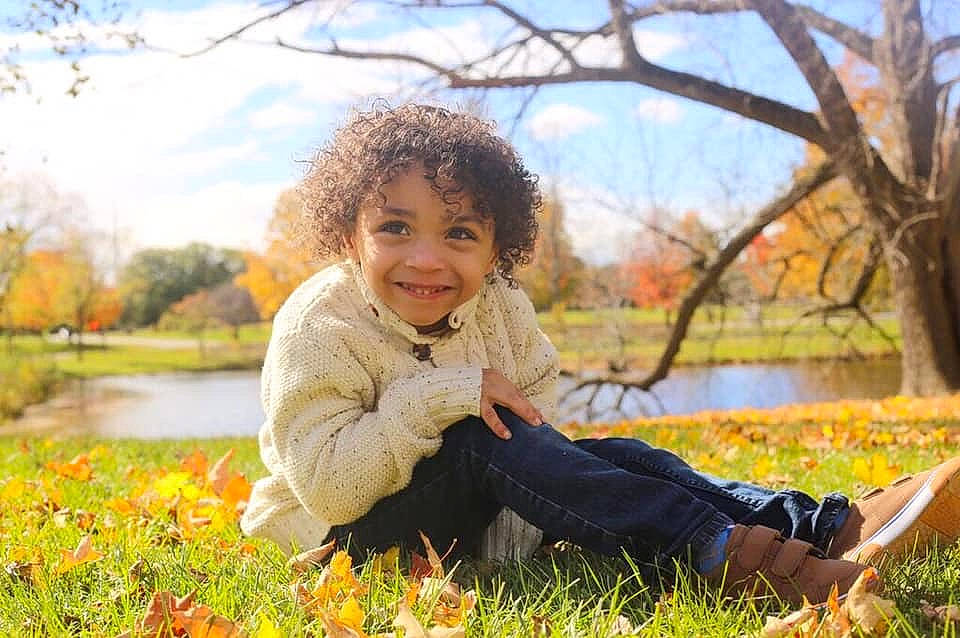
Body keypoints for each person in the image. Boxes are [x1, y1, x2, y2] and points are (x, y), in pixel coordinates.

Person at [240, 102, 960, 606]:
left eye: (460, 234)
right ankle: (719, 556)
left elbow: (535, 431)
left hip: (472, 515)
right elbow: (331, 489)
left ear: (497, 248)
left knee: (627, 456)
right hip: (345, 543)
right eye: (395, 226)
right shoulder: (319, 325)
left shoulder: (501, 306)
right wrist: (443, 395)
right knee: (475, 435)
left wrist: (553, 498)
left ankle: (829, 526)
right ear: (348, 236)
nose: (427, 258)